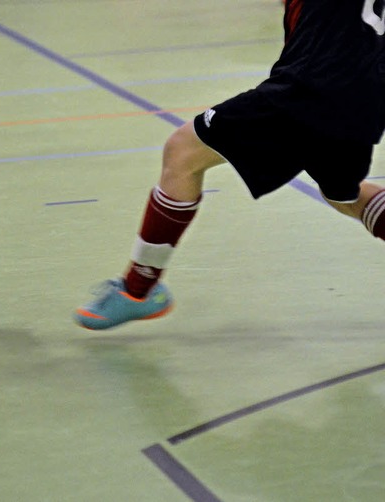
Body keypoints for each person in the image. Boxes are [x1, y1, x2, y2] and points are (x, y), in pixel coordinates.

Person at [74, 0, 385, 330]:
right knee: (344, 196)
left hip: (312, 84)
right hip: (366, 91)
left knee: (182, 153)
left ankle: (138, 291)